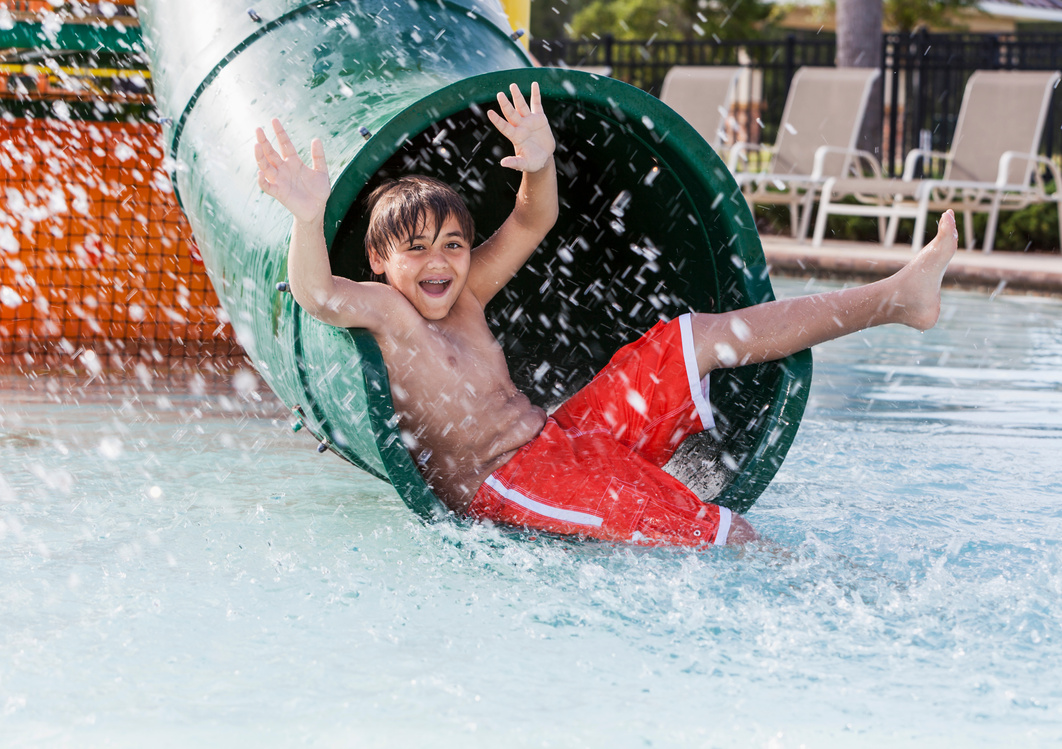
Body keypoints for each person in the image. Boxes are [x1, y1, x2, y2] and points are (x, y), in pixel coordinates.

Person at [254, 82, 957, 547]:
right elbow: (317, 294)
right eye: (416, 250)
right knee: (718, 532)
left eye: (453, 245)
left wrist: (538, 161)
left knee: (695, 337)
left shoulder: (464, 295)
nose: (439, 262)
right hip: (509, 481)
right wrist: (309, 216)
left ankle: (894, 297)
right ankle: (813, 586)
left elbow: (536, 220)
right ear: (380, 262)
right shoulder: (389, 312)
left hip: (560, 437)